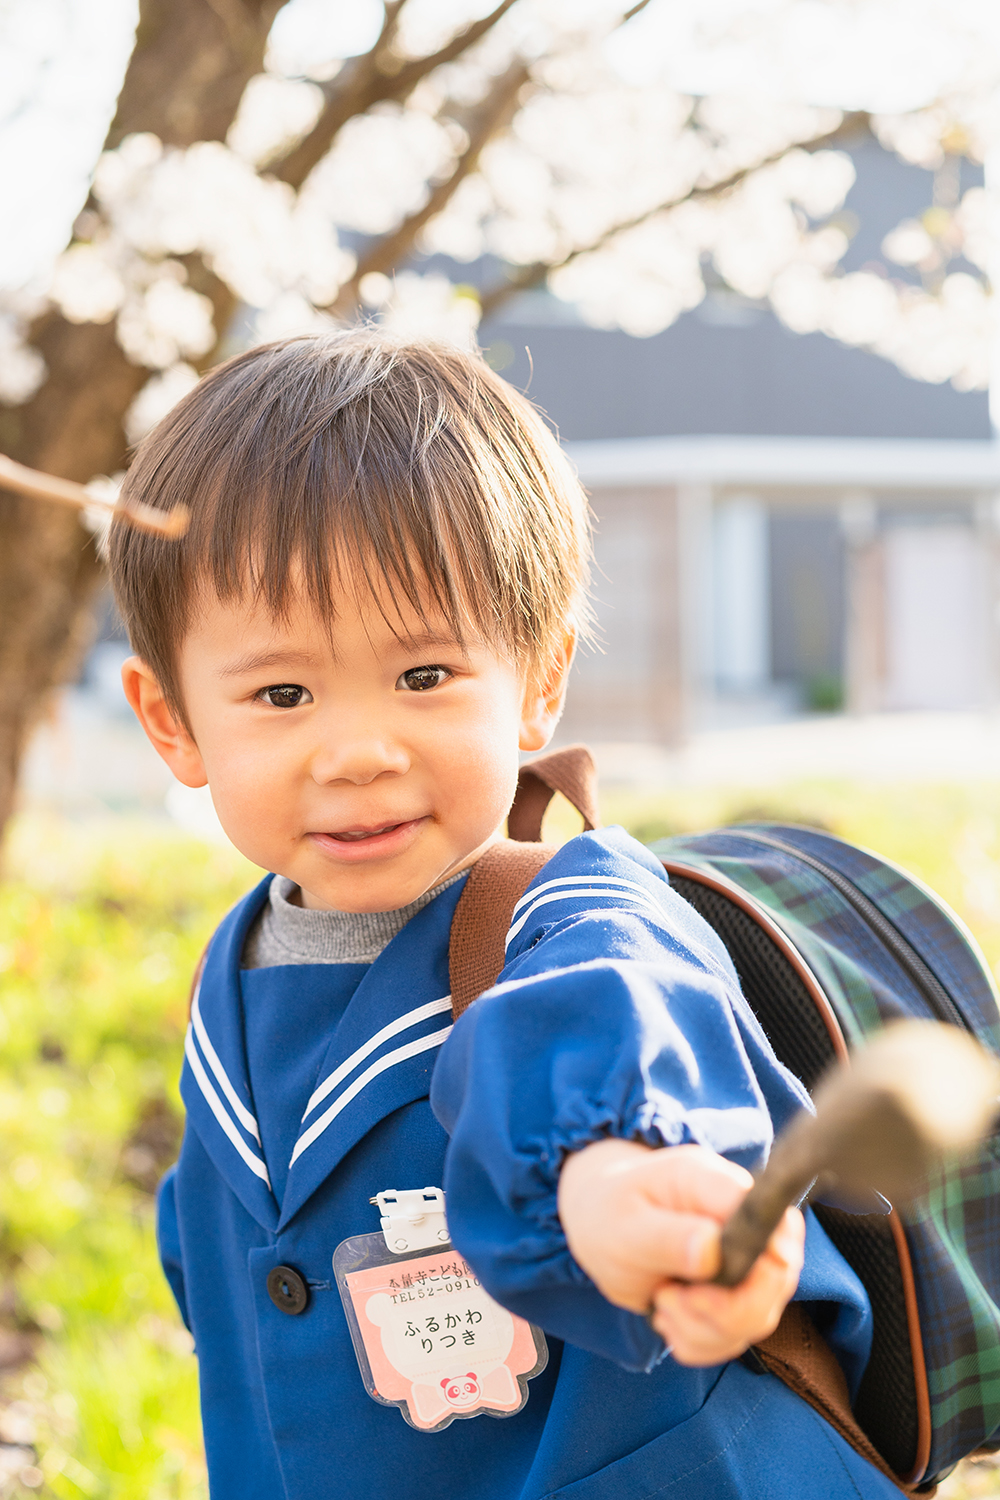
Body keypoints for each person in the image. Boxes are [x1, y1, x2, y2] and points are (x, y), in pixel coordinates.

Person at [110, 331, 899, 1500]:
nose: (362, 752)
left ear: (537, 680)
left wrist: (617, 1185)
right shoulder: (230, 978)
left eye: (424, 677)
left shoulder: (579, 915)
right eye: (282, 693)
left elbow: (612, 1037)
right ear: (172, 721)